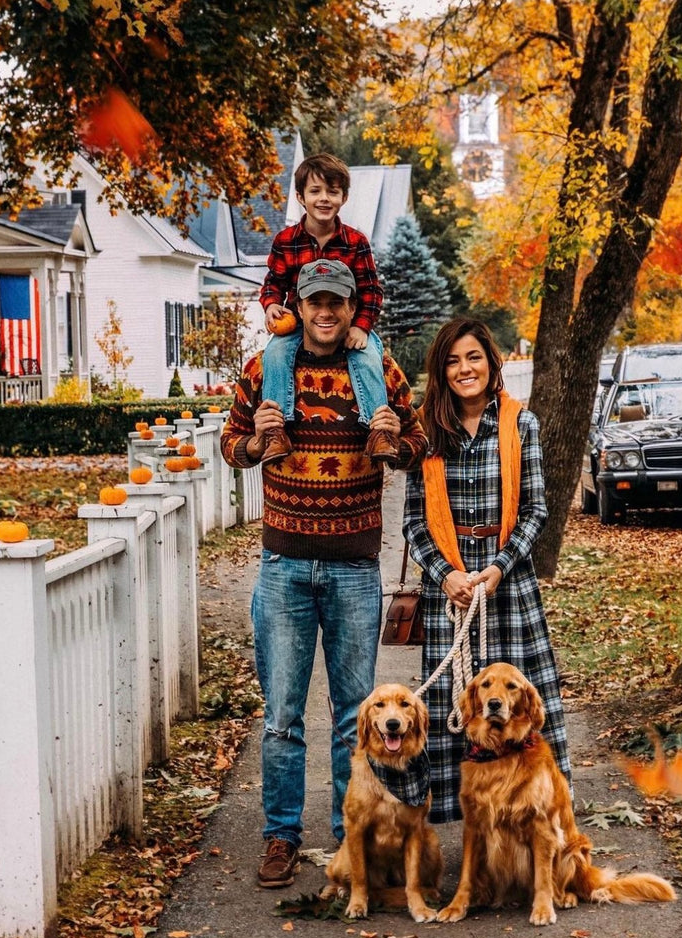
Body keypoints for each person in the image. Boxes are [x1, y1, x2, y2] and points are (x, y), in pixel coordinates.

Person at [221, 258, 427, 888]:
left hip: (355, 568)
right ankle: (280, 836)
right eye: (316, 303)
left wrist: (394, 439)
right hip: (284, 563)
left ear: (350, 306)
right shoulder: (266, 369)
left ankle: (350, 833)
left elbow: (419, 446)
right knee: (282, 714)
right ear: (301, 306)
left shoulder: (379, 370)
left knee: (351, 715)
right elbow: (230, 446)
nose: (327, 313)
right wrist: (256, 441)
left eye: (338, 302)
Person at [403, 318, 571, 824]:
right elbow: (413, 520)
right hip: (451, 591)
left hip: (507, 585)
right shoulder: (424, 431)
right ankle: (479, 829)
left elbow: (536, 510)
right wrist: (444, 574)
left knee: (520, 709)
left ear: (491, 363)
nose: (464, 369)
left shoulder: (522, 423)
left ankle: (542, 816)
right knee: (463, 710)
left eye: (473, 357)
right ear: (440, 371)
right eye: (452, 361)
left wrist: (497, 568)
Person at [258, 152, 394, 465]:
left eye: (332, 191)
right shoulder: (286, 241)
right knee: (275, 355)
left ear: (344, 197)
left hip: (346, 325)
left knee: (370, 356)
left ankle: (379, 430)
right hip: (299, 325)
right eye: (315, 191)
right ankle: (275, 431)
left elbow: (371, 290)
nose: (324, 198)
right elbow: (273, 282)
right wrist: (271, 306)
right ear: (300, 197)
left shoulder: (355, 242)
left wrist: (361, 326)